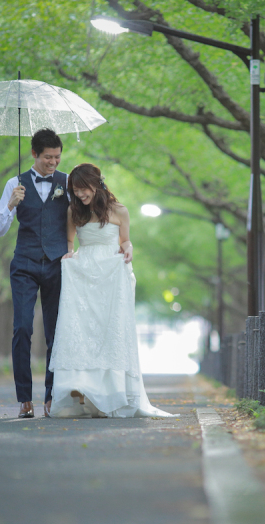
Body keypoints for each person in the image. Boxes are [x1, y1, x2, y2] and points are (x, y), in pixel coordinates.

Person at [47, 163, 177, 418]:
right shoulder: (74, 211)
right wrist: (69, 255)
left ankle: (110, 394)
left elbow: (125, 241)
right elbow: (70, 242)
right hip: (84, 275)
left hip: (111, 274)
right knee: (84, 330)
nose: (81, 195)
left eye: (84, 189)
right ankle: (84, 390)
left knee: (111, 332)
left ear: (97, 184)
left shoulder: (119, 211)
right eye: (76, 190)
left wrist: (129, 248)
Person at [0, 128, 67, 418]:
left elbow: (83, 216)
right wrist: (11, 205)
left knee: (55, 332)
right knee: (22, 327)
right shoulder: (15, 183)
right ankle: (25, 398)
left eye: (58, 157)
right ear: (34, 154)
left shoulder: (67, 182)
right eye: (48, 157)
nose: (53, 163)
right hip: (24, 264)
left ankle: (51, 396)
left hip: (58, 265)